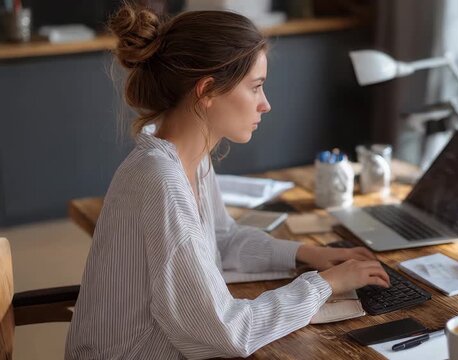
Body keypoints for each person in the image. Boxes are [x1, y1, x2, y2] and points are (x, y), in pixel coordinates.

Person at [65, 3, 390, 359]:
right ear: (206, 91)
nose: (265, 104)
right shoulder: (160, 179)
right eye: (256, 87)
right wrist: (325, 284)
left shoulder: (188, 158)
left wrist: (307, 254)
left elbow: (222, 241)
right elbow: (227, 331)